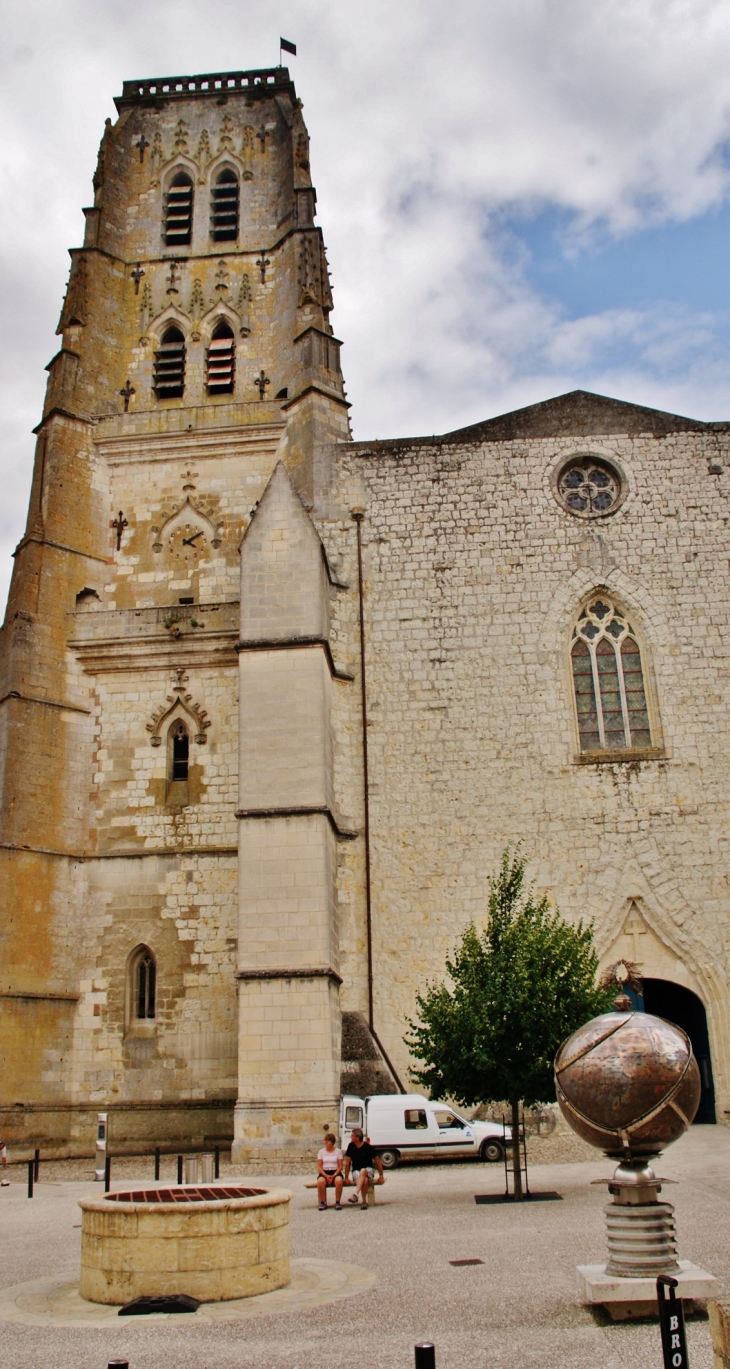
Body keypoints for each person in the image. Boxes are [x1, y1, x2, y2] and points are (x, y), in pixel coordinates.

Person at [344, 1127, 383, 1209]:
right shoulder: (351, 1146)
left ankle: (355, 1194)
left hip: (368, 1170)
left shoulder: (368, 1147)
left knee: (363, 1170)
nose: (351, 1137)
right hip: (356, 1172)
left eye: (352, 1136)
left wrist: (381, 1176)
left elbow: (377, 1161)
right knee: (364, 1180)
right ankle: (364, 1202)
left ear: (357, 1138)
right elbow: (347, 1163)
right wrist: (346, 1177)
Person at [316, 1132, 344, 1209]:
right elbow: (319, 1166)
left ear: (331, 1142)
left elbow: (340, 1166)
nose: (325, 1142)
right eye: (325, 1140)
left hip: (335, 1172)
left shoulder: (338, 1151)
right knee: (320, 1182)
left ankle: (337, 1202)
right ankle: (323, 1202)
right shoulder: (321, 1152)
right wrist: (326, 1175)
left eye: (327, 1141)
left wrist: (334, 1175)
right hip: (324, 1172)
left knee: (339, 1181)